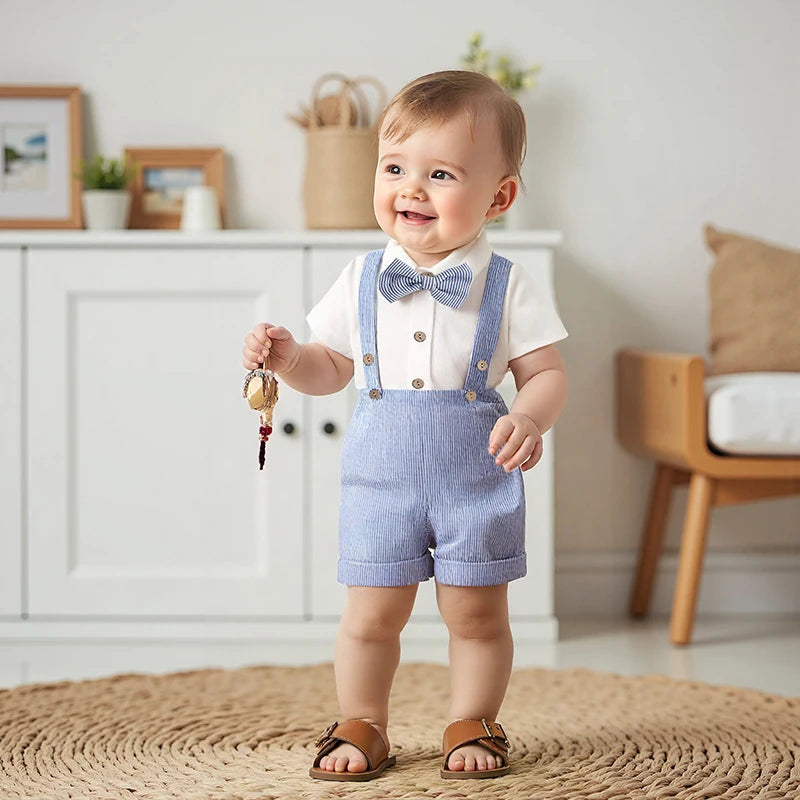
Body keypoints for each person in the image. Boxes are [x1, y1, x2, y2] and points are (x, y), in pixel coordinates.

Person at [242, 69, 568, 782]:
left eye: (441, 173)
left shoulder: (508, 284)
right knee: (369, 618)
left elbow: (546, 374)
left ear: (500, 196)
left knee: (477, 618)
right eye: (395, 168)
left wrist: (528, 416)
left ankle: (471, 719)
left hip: (474, 476)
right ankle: (363, 721)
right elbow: (331, 368)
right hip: (380, 481)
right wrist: (293, 358)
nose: (411, 189)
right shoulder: (361, 276)